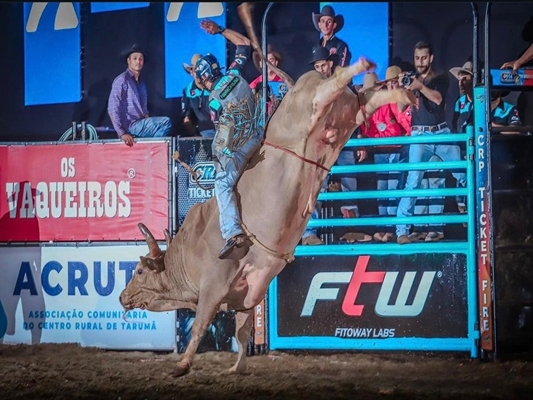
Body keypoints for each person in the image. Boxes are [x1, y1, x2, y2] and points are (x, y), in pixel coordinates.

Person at [196, 19, 263, 259]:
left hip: (243, 145)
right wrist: (222, 30)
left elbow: (224, 138)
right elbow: (244, 44)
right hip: (260, 134)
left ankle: (233, 231)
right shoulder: (235, 73)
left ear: (204, 78)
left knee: (222, 183)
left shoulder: (213, 101)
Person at [395, 41, 466, 244]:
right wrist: (402, 87)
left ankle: (465, 219)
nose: (420, 62)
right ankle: (402, 230)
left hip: (441, 133)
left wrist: (420, 86)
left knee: (462, 175)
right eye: (417, 58)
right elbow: (400, 108)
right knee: (413, 182)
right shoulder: (412, 79)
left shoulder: (439, 76)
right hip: (419, 136)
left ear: (431, 58)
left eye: (424, 58)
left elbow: (437, 99)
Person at [301, 46, 371, 245]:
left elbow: (354, 113)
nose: (321, 69)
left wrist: (358, 139)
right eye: (317, 66)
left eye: (323, 65)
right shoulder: (312, 89)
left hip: (343, 140)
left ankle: (351, 229)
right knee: (316, 186)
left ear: (330, 64)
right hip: (322, 143)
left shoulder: (343, 85)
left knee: (349, 184)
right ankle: (309, 233)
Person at [360, 67, 412, 242]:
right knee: (383, 190)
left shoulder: (388, 102)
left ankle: (392, 228)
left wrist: (403, 139)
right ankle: (384, 228)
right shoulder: (365, 108)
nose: (372, 93)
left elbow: (403, 124)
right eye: (368, 91)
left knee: (393, 188)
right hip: (381, 151)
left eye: (374, 89)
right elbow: (363, 130)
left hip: (395, 149)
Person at [108, 44, 172, 147]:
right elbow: (112, 107)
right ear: (128, 60)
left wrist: (149, 122)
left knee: (161, 124)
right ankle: (153, 150)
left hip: (140, 124)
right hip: (130, 126)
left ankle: (150, 149)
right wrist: (122, 133)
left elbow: (144, 111)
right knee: (165, 122)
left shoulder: (142, 83)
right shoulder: (122, 80)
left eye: (141, 59)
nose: (138, 61)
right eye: (135, 58)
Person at [181, 53, 216, 138]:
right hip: (203, 132)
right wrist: (194, 135)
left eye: (200, 69)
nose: (198, 73)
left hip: (221, 129)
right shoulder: (187, 91)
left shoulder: (215, 86)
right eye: (195, 70)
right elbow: (186, 118)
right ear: (191, 72)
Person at [249, 45, 287, 118]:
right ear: (260, 64)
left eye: (271, 61)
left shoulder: (285, 81)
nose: (268, 64)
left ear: (276, 63)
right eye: (264, 61)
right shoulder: (254, 84)